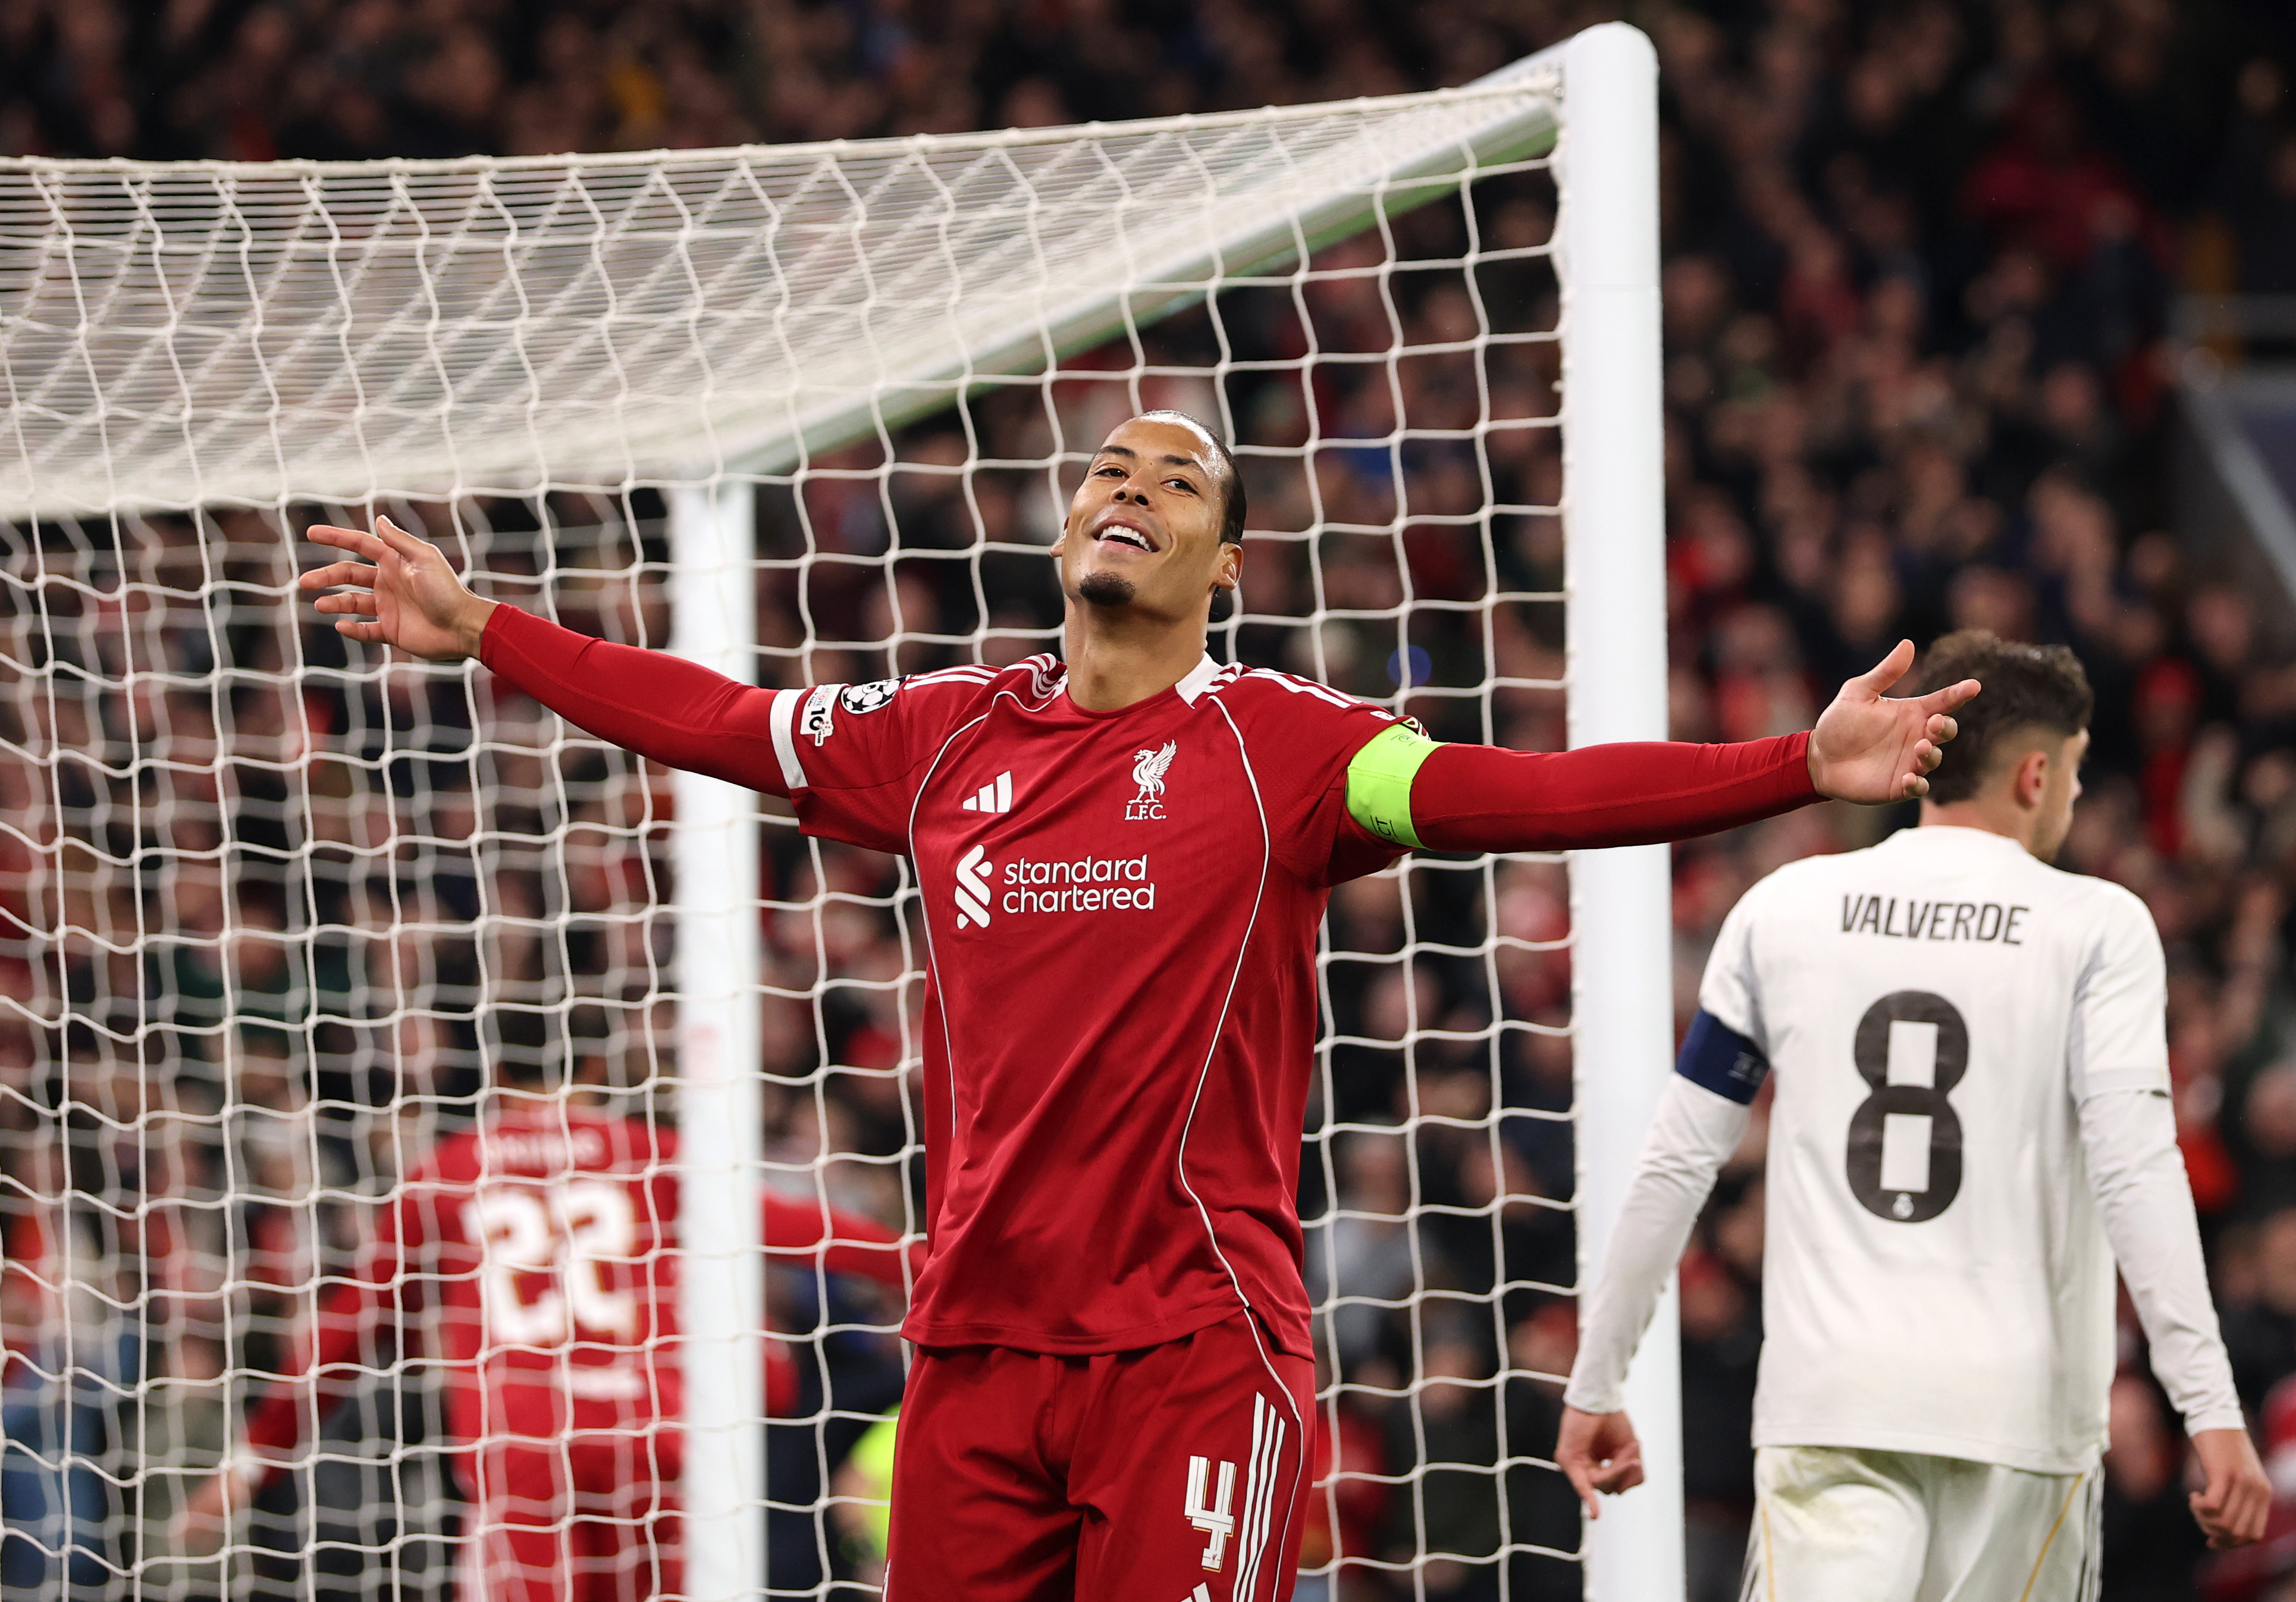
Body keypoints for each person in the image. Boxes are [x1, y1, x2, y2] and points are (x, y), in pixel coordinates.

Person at [296, 410, 1975, 1598]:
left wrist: (1790, 764)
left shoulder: (1283, 745)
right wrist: (486, 629)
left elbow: (1515, 789)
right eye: (1110, 465)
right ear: (1064, 526)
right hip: (968, 1357)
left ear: (1223, 559)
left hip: (1192, 1350)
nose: (1132, 484)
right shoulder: (940, 731)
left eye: (1178, 480)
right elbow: (721, 722)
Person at [1557, 630, 2270, 1598]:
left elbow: (1679, 1158)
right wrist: (2212, 1406)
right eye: (2075, 772)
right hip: (2017, 1421)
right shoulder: (2097, 926)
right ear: (2035, 772)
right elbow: (2138, 1168)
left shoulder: (1783, 908)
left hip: (1833, 1401)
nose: (2072, 797)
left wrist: (1598, 1381)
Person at [178, 1053, 913, 1602]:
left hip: (524, 1440)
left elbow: (346, 1331)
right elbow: (800, 1227)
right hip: (647, 1430)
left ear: (495, 1082)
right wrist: (923, 1260)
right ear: (592, 1073)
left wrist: (252, 1463)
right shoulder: (643, 1151)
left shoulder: (449, 1171)